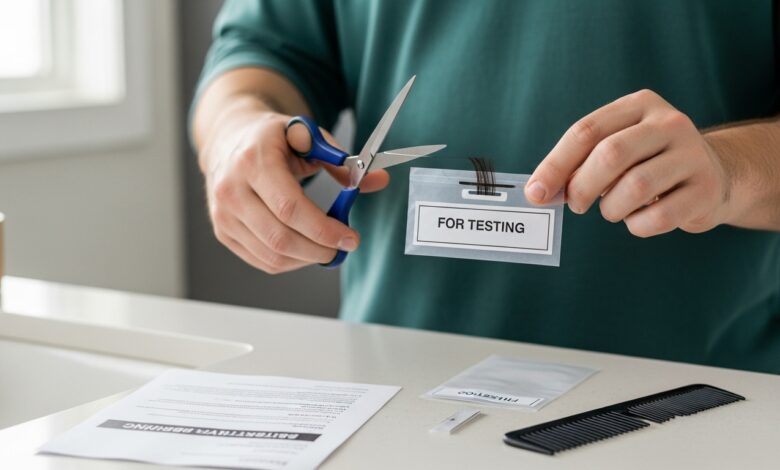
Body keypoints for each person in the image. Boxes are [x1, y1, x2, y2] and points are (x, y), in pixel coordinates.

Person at [192, 0, 780, 374]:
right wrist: (236, 132)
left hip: (701, 399)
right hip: (393, 394)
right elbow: (262, 51)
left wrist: (731, 166)